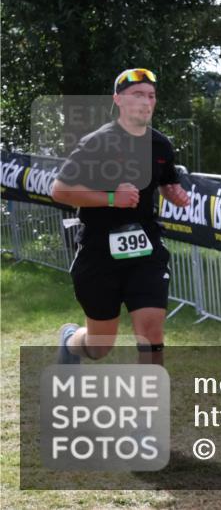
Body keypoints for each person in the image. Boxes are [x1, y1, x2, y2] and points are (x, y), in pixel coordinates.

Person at [52, 68, 191, 367]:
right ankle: (70, 341)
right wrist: (112, 198)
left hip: (146, 246)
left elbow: (167, 182)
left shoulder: (160, 145)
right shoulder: (97, 143)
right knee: (99, 346)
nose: (145, 102)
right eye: (137, 95)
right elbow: (60, 190)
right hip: (100, 249)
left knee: (151, 331)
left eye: (151, 96)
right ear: (118, 100)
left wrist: (174, 193)